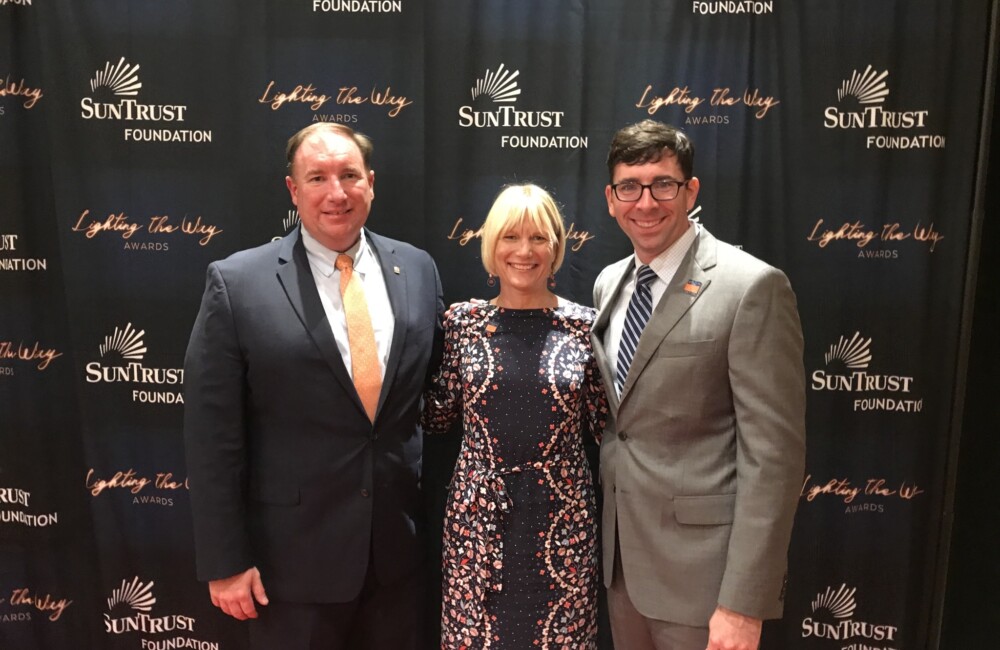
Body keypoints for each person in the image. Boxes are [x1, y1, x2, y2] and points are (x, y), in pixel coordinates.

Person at [183, 123, 444, 650]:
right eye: (318, 177)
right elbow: (212, 437)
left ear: (371, 182)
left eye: (350, 175)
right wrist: (225, 561)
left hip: (400, 559)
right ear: (293, 189)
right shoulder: (237, 283)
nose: (337, 193)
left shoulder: (417, 269)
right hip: (291, 569)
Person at [591, 120, 806, 650]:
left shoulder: (750, 286)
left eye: (663, 184)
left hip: (706, 587)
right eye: (630, 187)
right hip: (621, 573)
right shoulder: (608, 281)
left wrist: (743, 603)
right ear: (611, 199)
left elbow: (773, 458)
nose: (646, 202)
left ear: (690, 190)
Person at [422, 184, 608, 650]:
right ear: (491, 246)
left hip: (563, 525)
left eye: (539, 238)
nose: (524, 251)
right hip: (476, 524)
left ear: (557, 247)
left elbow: (606, 427)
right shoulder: (462, 323)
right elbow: (439, 417)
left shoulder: (586, 326)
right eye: (510, 237)